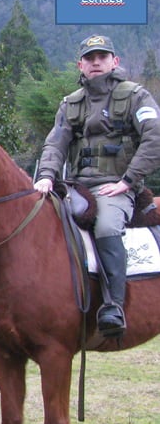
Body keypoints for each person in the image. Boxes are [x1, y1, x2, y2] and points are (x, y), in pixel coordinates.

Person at [34, 35, 160, 338]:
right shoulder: (70, 104)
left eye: (102, 57)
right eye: (89, 58)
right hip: (75, 186)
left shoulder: (135, 96)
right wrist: (46, 175)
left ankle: (114, 306)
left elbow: (155, 139)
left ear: (114, 62)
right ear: (81, 64)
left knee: (105, 227)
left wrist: (127, 181)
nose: (95, 62)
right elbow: (55, 144)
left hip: (116, 189)